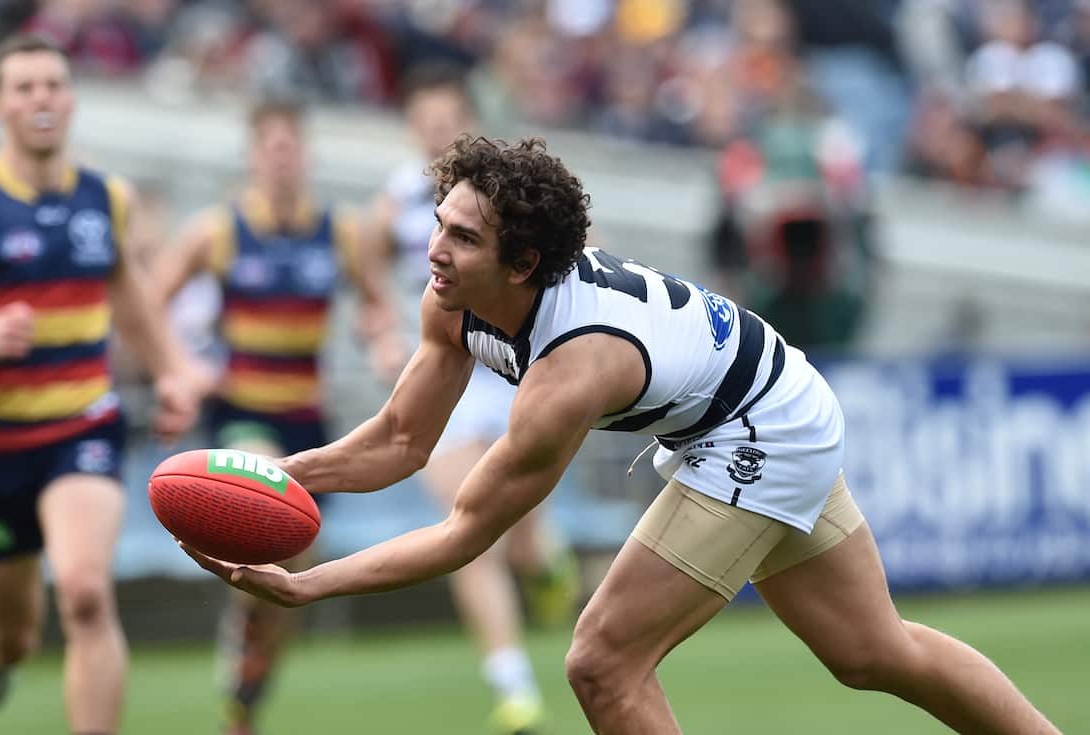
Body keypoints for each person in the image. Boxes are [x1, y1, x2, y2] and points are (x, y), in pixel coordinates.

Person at [181, 136, 1060, 735]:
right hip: (773, 396)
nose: (434, 250)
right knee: (874, 653)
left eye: (461, 237)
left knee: (603, 661)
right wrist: (277, 472)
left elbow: (462, 533)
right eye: (438, 223)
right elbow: (401, 442)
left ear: (521, 264)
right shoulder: (455, 299)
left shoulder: (575, 366)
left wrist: (309, 587)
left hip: (763, 429)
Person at [0, 33, 203, 735]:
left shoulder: (106, 199)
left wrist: (173, 369)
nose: (41, 99)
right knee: (15, 634)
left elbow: (130, 292)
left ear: (72, 99)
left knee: (84, 593)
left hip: (83, 427)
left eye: (53, 85)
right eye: (24, 88)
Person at [153, 98, 393, 735]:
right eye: (271, 148)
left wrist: (382, 340)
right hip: (242, 413)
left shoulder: (341, 231)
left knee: (298, 571)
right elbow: (148, 305)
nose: (282, 159)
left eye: (292, 147)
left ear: (305, 155)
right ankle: (244, 642)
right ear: (254, 155)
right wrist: (184, 366)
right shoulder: (218, 231)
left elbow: (375, 305)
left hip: (307, 418)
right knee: (263, 503)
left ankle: (249, 681)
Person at [361, 63, 577, 734]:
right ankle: (512, 686)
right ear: (410, 128)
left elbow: (574, 261)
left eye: (448, 120)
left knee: (521, 539)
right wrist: (381, 337)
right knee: (469, 524)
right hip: (443, 372)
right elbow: (370, 290)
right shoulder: (391, 207)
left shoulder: (510, 200)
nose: (437, 133)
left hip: (512, 372)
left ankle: (546, 566)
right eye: (426, 123)